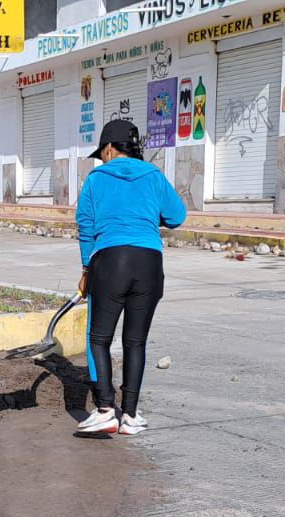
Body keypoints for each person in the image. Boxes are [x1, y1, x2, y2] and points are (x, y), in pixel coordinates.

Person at [74, 119, 186, 436]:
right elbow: (176, 216)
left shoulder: (96, 179)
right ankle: (131, 416)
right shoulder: (154, 175)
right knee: (135, 341)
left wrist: (86, 270)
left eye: (102, 153)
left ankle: (105, 410)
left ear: (110, 148)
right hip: (149, 263)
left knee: (99, 338)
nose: (101, 158)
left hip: (111, 262)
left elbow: (86, 225)